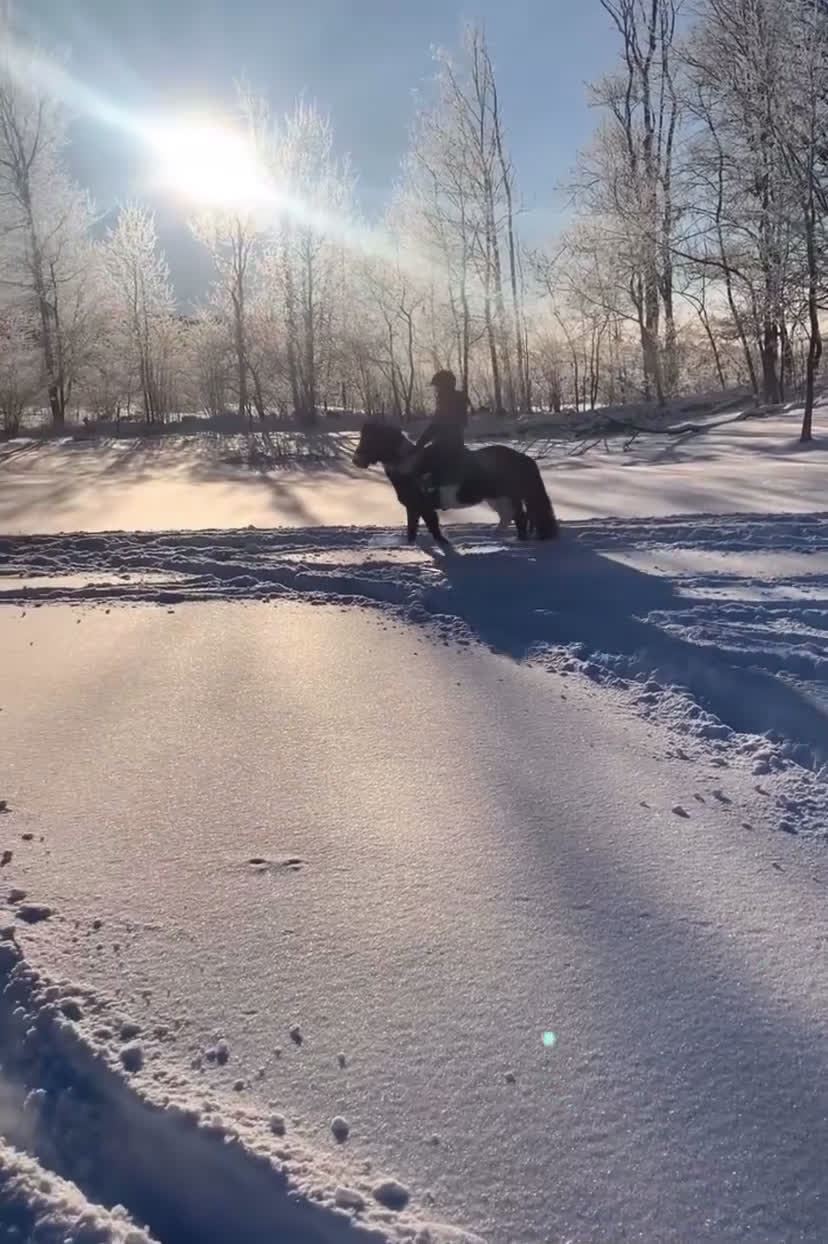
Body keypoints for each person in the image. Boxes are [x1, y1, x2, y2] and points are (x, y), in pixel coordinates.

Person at [397, 369, 469, 499]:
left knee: (421, 462)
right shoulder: (457, 398)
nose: (436, 389)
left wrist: (419, 445)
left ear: (445, 385)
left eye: (438, 386)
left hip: (446, 445)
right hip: (454, 442)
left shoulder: (447, 400)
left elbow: (436, 425)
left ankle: (432, 496)